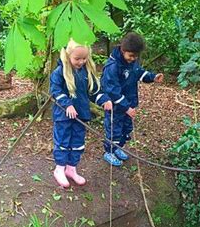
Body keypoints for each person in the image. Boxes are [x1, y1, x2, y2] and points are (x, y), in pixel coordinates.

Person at [50, 39, 112, 187]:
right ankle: (59, 169)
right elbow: (56, 91)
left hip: (81, 115)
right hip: (63, 116)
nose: (81, 62)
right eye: (77, 59)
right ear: (68, 55)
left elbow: (94, 91)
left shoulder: (86, 72)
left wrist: (103, 100)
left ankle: (71, 168)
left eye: (84, 58)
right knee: (63, 141)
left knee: (77, 142)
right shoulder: (60, 72)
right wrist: (67, 105)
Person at [101, 32, 164, 166]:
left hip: (129, 104)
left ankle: (118, 148)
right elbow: (112, 91)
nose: (133, 59)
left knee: (126, 129)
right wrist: (125, 107)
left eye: (136, 56)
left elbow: (138, 73)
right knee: (114, 129)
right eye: (131, 56)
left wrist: (152, 77)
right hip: (117, 106)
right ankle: (109, 151)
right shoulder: (112, 67)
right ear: (123, 50)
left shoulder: (132, 62)